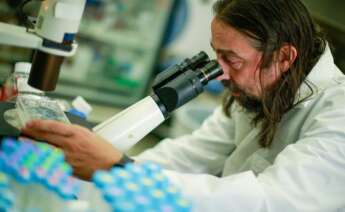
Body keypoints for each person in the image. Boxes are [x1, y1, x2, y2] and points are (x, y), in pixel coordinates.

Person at [22, 0, 345, 211]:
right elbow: (188, 156)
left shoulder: (338, 115)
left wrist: (118, 169)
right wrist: (102, 179)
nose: (220, 75)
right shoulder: (258, 91)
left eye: (231, 59)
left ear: (284, 57)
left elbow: (269, 202)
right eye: (216, 55)